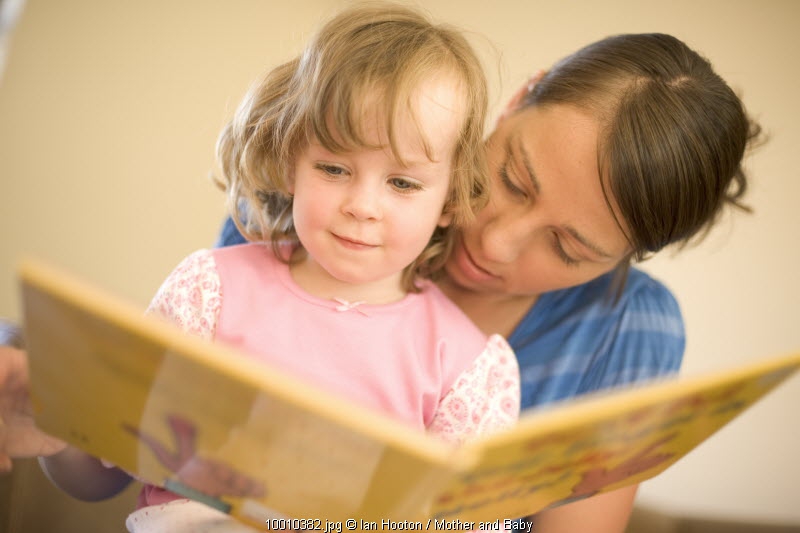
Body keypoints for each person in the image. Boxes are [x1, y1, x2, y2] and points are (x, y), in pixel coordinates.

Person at [2, 29, 759, 533]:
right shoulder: (300, 230)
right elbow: (120, 461)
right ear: (520, 98)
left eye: (566, 246)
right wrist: (61, 414)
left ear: (626, 258)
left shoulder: (627, 328)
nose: (494, 240)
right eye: (513, 179)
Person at [29, 3, 521, 532]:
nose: (362, 205)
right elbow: (100, 474)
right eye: (334, 168)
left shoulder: (471, 371)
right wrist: (57, 423)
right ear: (291, 162)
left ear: (450, 199)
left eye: (402, 183)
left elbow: (464, 523)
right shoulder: (208, 292)